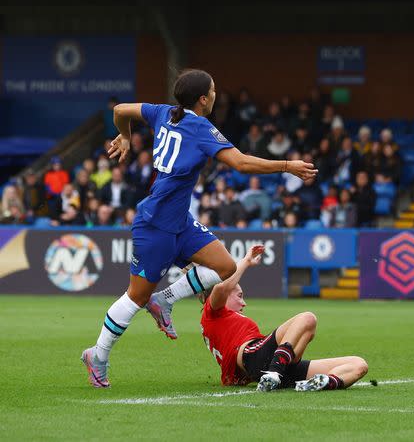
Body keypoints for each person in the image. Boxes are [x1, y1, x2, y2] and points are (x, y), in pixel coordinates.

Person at [81, 69, 317, 388]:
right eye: (214, 90)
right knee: (135, 297)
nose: (217, 95)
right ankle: (98, 355)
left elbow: (119, 110)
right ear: (204, 99)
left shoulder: (162, 112)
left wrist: (123, 134)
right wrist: (288, 166)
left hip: (179, 221)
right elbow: (242, 163)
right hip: (156, 224)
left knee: (225, 266)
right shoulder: (199, 127)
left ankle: (164, 300)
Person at [199, 244, 368, 391]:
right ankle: (274, 372)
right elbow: (221, 288)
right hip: (256, 358)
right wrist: (246, 261)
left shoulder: (218, 320)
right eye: (240, 296)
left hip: (269, 362)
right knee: (308, 318)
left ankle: (322, 383)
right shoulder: (212, 312)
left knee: (359, 365)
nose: (244, 303)